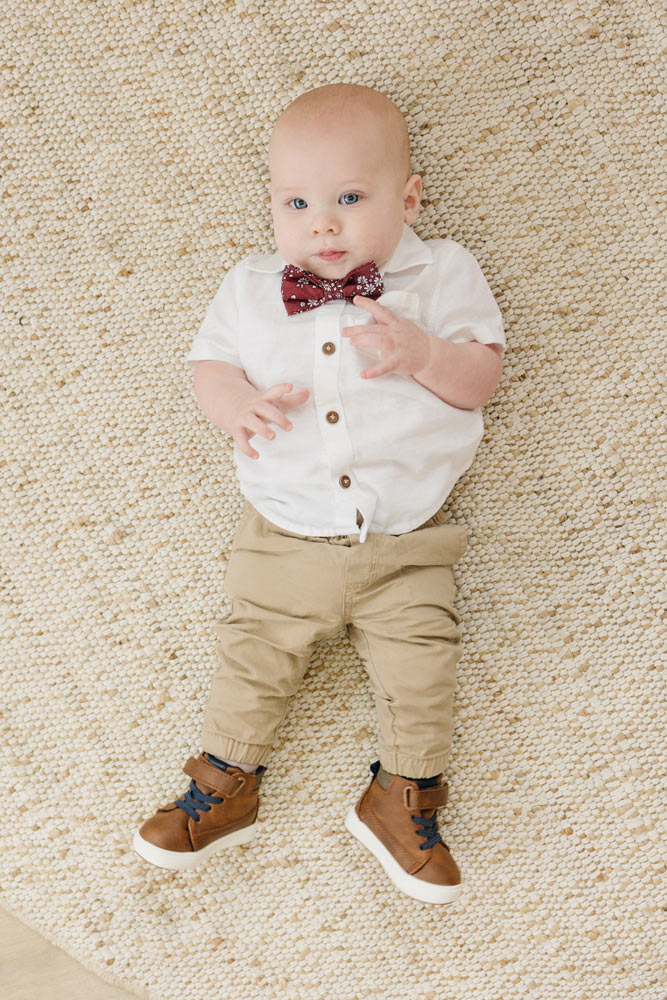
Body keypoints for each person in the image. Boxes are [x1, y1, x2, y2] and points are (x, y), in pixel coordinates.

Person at [132, 83, 506, 905]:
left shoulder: (442, 272)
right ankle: (224, 785)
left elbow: (481, 376)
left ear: (407, 199)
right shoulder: (251, 285)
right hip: (282, 531)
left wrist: (421, 354)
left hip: (408, 539)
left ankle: (400, 799)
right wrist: (236, 405)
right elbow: (208, 366)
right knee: (251, 660)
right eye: (297, 202)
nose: (322, 224)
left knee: (423, 672)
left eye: (348, 198)